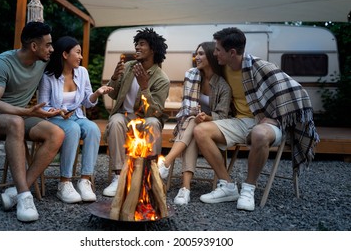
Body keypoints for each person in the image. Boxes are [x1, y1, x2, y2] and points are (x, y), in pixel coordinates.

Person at [194, 27, 319, 211]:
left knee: (259, 134)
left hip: (266, 123)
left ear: (232, 52)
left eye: (218, 50)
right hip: (239, 121)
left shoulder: (260, 67)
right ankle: (227, 185)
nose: (215, 53)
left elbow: (299, 95)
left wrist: (277, 119)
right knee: (200, 131)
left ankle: (248, 189)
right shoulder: (223, 69)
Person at [0, 21, 65, 222]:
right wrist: (27, 111)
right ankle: (24, 197)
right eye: (48, 44)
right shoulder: (2, 62)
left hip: (20, 116)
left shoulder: (43, 61)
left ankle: (17, 191)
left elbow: (70, 59)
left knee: (56, 133)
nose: (52, 49)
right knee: (16, 122)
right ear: (33, 46)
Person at [38, 36, 113, 204]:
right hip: (55, 119)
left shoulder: (82, 72)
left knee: (92, 128)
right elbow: (42, 107)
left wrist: (97, 93)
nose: (80, 57)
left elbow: (87, 101)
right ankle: (64, 183)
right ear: (65, 54)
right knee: (72, 129)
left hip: (77, 116)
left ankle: (85, 180)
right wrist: (58, 111)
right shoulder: (48, 76)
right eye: (77, 53)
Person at [157, 41, 231, 205]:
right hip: (194, 124)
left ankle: (167, 164)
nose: (196, 57)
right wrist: (197, 118)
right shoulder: (192, 75)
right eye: (196, 53)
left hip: (216, 127)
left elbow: (224, 116)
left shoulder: (223, 85)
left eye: (201, 54)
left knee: (194, 124)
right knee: (192, 124)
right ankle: (185, 188)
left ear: (211, 56)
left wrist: (206, 118)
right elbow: (187, 108)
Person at [102, 27, 170, 197]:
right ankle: (119, 177)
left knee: (154, 123)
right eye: (136, 44)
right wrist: (115, 77)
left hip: (145, 119)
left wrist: (145, 87)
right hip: (125, 117)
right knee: (116, 120)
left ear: (153, 49)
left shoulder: (161, 78)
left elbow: (155, 113)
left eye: (142, 44)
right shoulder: (128, 67)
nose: (137, 48)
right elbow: (113, 93)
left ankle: (149, 177)